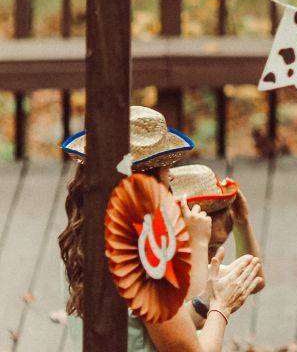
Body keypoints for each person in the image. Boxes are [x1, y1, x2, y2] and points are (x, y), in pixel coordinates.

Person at [58, 106, 260, 351]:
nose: (171, 176)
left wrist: (205, 302)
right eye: (164, 167)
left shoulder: (85, 244)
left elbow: (159, 329)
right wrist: (221, 307)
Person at [169, 164, 267, 328]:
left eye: (215, 246)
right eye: (202, 246)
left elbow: (255, 279)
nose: (210, 257)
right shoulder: (158, 277)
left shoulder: (208, 268)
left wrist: (242, 223)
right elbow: (196, 312)